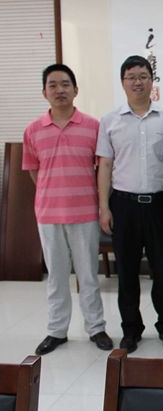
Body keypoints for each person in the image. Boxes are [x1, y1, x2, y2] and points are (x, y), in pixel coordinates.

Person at [23, 64, 113, 355]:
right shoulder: (33, 130)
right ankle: (56, 331)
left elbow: (102, 169)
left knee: (88, 275)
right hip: (48, 214)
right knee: (57, 276)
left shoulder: (93, 126)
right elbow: (34, 171)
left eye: (65, 84)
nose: (59, 90)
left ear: (76, 90)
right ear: (44, 92)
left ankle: (96, 328)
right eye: (53, 85)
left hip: (85, 212)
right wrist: (53, 192)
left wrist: (101, 206)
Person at [97, 55, 163, 352]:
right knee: (127, 272)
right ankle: (131, 330)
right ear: (123, 82)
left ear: (151, 80)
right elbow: (105, 166)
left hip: (159, 203)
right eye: (131, 77)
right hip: (123, 205)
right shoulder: (110, 121)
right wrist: (104, 207)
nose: (137, 82)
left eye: (143, 76)